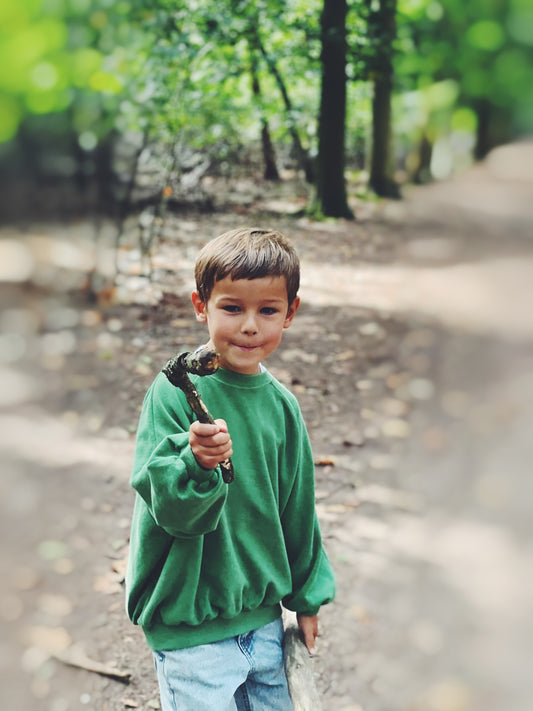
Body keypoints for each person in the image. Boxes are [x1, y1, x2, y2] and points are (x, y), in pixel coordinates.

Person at [126, 227, 336, 711]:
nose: (249, 326)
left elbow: (297, 511)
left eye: (267, 310)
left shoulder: (282, 408)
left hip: (262, 620)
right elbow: (173, 511)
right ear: (201, 306)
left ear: (291, 312)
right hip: (190, 626)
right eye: (232, 307)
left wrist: (306, 598)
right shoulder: (173, 393)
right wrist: (196, 462)